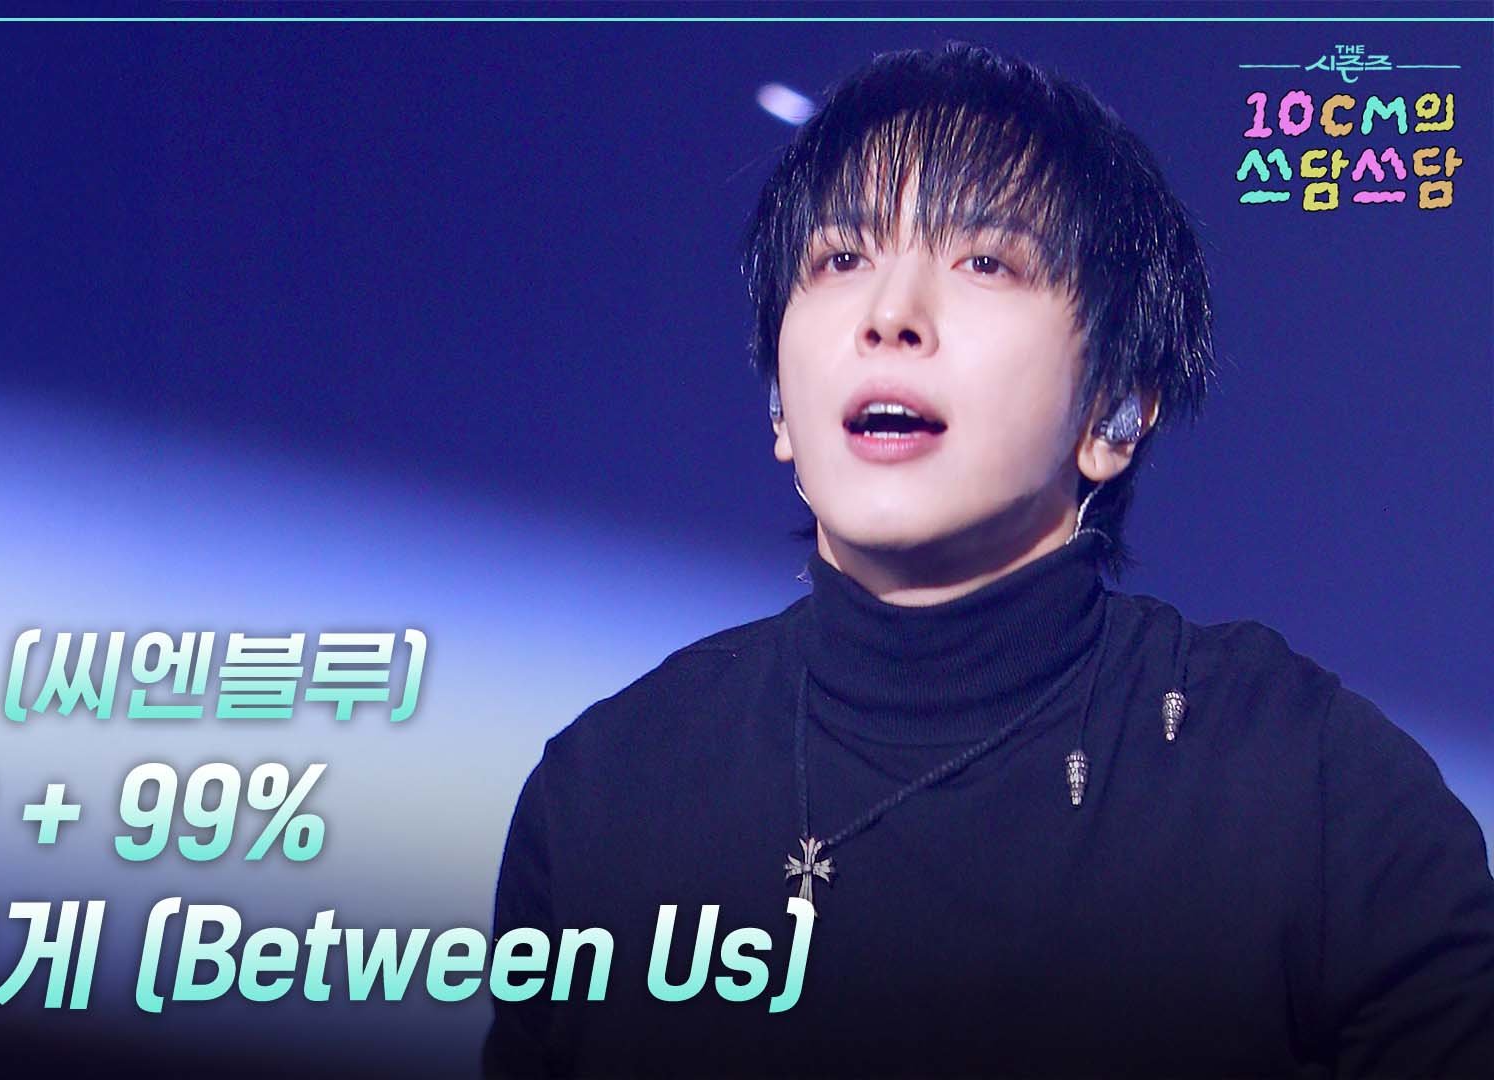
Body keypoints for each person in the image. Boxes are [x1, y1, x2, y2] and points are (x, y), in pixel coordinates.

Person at [483, 42, 1494, 1079]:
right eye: (841, 259)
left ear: (1116, 409)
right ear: (780, 407)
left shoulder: (1307, 793)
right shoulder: (606, 792)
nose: (890, 316)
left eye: (985, 262)